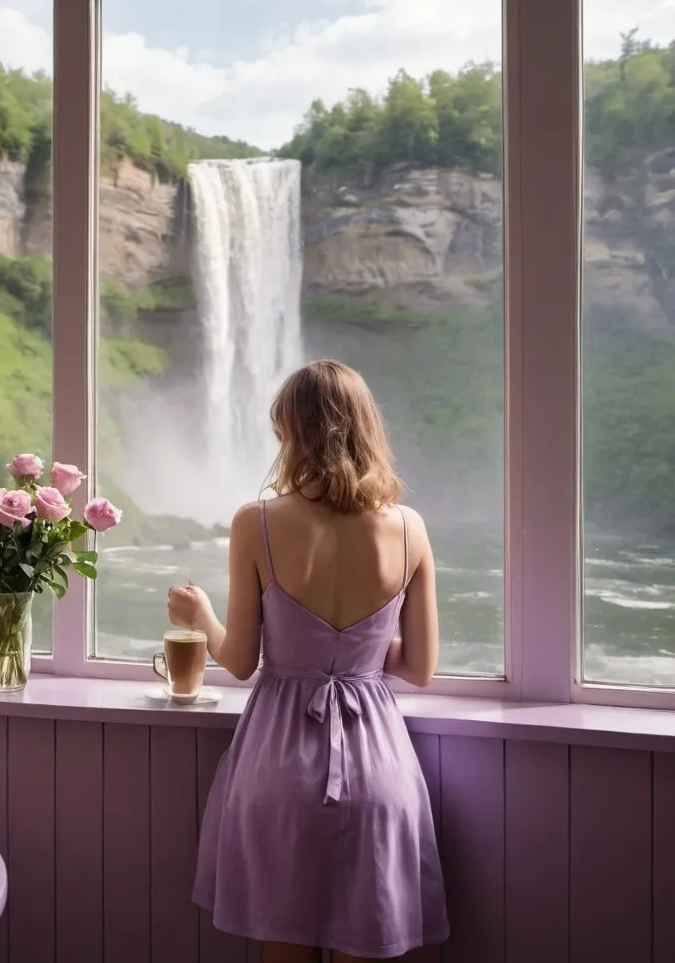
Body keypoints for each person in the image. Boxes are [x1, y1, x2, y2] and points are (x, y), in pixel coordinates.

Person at [167, 359, 449, 963]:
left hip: (278, 767)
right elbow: (420, 666)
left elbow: (240, 659)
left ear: (292, 433)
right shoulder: (409, 530)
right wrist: (358, 651)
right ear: (366, 429)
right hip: (379, 768)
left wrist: (200, 618)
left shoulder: (257, 523)